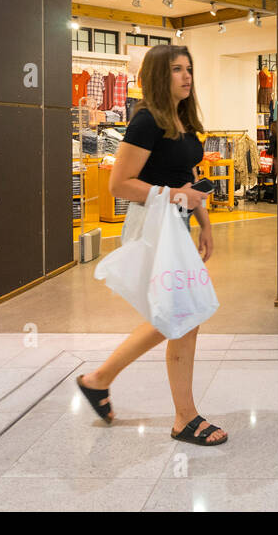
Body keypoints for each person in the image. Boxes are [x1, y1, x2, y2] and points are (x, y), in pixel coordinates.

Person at [75, 44, 227, 445]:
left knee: (178, 315)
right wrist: (178, 198)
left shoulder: (182, 118)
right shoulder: (145, 121)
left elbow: (188, 174)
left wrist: (205, 222)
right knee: (181, 315)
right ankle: (184, 418)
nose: (187, 76)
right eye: (177, 69)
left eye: (189, 68)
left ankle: (101, 379)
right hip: (154, 226)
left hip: (175, 224)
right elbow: (120, 184)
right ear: (161, 76)